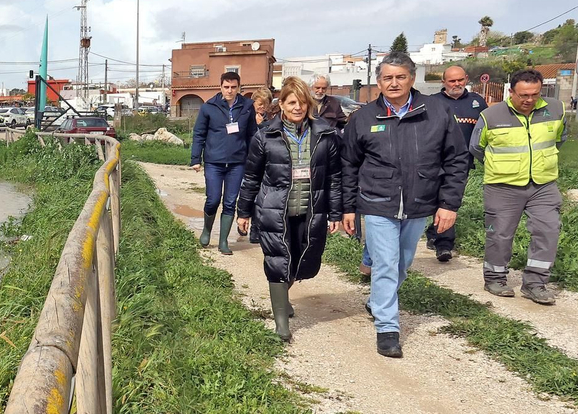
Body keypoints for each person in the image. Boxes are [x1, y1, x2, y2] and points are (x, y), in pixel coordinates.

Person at [342, 52, 470, 358]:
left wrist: (449, 204)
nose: (394, 83)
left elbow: (456, 159)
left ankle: (376, 302)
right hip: (376, 201)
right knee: (385, 262)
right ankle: (387, 327)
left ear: (412, 78)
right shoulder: (363, 118)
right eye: (388, 77)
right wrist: (348, 208)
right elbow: (348, 166)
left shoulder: (436, 112)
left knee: (402, 262)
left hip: (419, 201)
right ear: (379, 82)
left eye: (400, 77)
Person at [236, 77, 345, 341]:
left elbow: (334, 178)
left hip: (310, 210)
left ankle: (283, 298)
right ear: (281, 104)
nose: (298, 107)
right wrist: (244, 211)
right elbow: (251, 177)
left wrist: (335, 213)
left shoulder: (326, 135)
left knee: (299, 260)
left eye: (302, 102)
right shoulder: (265, 136)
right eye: (292, 102)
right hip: (274, 210)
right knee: (277, 262)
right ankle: (281, 325)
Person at [471, 69, 566, 304]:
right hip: (502, 186)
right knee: (500, 234)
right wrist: (503, 165)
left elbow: (559, 139)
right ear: (511, 91)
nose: (529, 99)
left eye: (534, 94)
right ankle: (495, 278)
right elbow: (476, 147)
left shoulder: (556, 109)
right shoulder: (490, 116)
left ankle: (535, 283)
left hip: (543, 184)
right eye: (523, 94)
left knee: (548, 231)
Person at [423, 65, 488, 261]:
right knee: (436, 200)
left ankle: (444, 244)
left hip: (461, 162)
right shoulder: (432, 102)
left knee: (449, 200)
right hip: (434, 161)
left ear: (466, 78)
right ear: (444, 82)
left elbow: (486, 131)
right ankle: (435, 232)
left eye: (460, 80)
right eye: (452, 81)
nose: (457, 84)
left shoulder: (477, 102)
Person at [189, 71, 257, 254]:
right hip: (214, 162)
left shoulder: (247, 106)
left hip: (238, 163)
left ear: (239, 87)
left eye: (233, 87)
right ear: (220, 87)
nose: (230, 90)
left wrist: (255, 159)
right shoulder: (208, 107)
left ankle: (223, 241)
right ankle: (206, 230)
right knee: (213, 199)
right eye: (226, 87)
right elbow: (199, 134)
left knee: (230, 202)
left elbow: (252, 134)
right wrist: (196, 158)